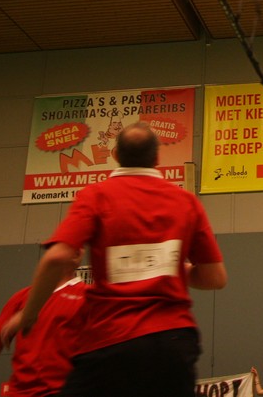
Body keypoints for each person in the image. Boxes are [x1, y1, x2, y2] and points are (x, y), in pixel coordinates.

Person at [18, 121, 226, 397]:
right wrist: (172, 269)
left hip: (111, 341)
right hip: (173, 342)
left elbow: (56, 258)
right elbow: (214, 277)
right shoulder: (186, 202)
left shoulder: (95, 196)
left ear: (116, 155)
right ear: (157, 157)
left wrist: (29, 315)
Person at [0, 248, 87, 396]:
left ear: (78, 255)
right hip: (19, 391)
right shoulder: (22, 297)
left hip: (63, 390)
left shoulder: (88, 296)